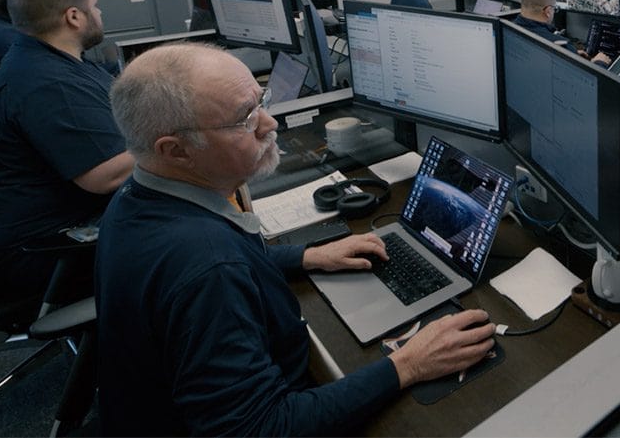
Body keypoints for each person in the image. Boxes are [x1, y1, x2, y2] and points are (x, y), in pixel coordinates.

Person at [97, 43, 495, 436]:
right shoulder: (208, 268)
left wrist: (307, 256)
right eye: (245, 119)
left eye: (260, 102)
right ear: (177, 151)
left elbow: (216, 265)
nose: (269, 124)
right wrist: (408, 365)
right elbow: (259, 429)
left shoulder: (139, 197)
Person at [0, 0, 134, 299]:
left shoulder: (46, 57)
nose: (100, 14)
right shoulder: (47, 84)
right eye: (95, 7)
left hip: (67, 221)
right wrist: (189, 132)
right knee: (207, 234)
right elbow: (103, 176)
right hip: (57, 249)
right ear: (74, 16)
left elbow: (113, 94)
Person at [513, 0, 610, 65]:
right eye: (554, 8)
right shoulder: (558, 45)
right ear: (547, 11)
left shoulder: (510, 28)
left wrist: (573, 54)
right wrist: (599, 63)